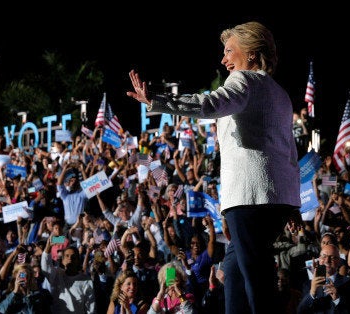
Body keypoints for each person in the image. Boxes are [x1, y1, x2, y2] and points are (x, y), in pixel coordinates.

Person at [127, 21, 301, 314]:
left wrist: (156, 100)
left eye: (230, 51)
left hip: (249, 197)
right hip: (276, 200)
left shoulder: (244, 80)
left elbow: (209, 105)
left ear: (252, 53)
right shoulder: (281, 94)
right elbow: (289, 150)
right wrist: (292, 204)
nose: (224, 59)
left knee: (258, 282)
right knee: (233, 272)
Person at [297, 244, 350, 314]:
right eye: (324, 256)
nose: (327, 261)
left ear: (339, 261)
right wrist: (312, 293)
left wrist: (337, 299)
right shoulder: (308, 285)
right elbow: (300, 311)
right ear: (319, 260)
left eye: (332, 257)